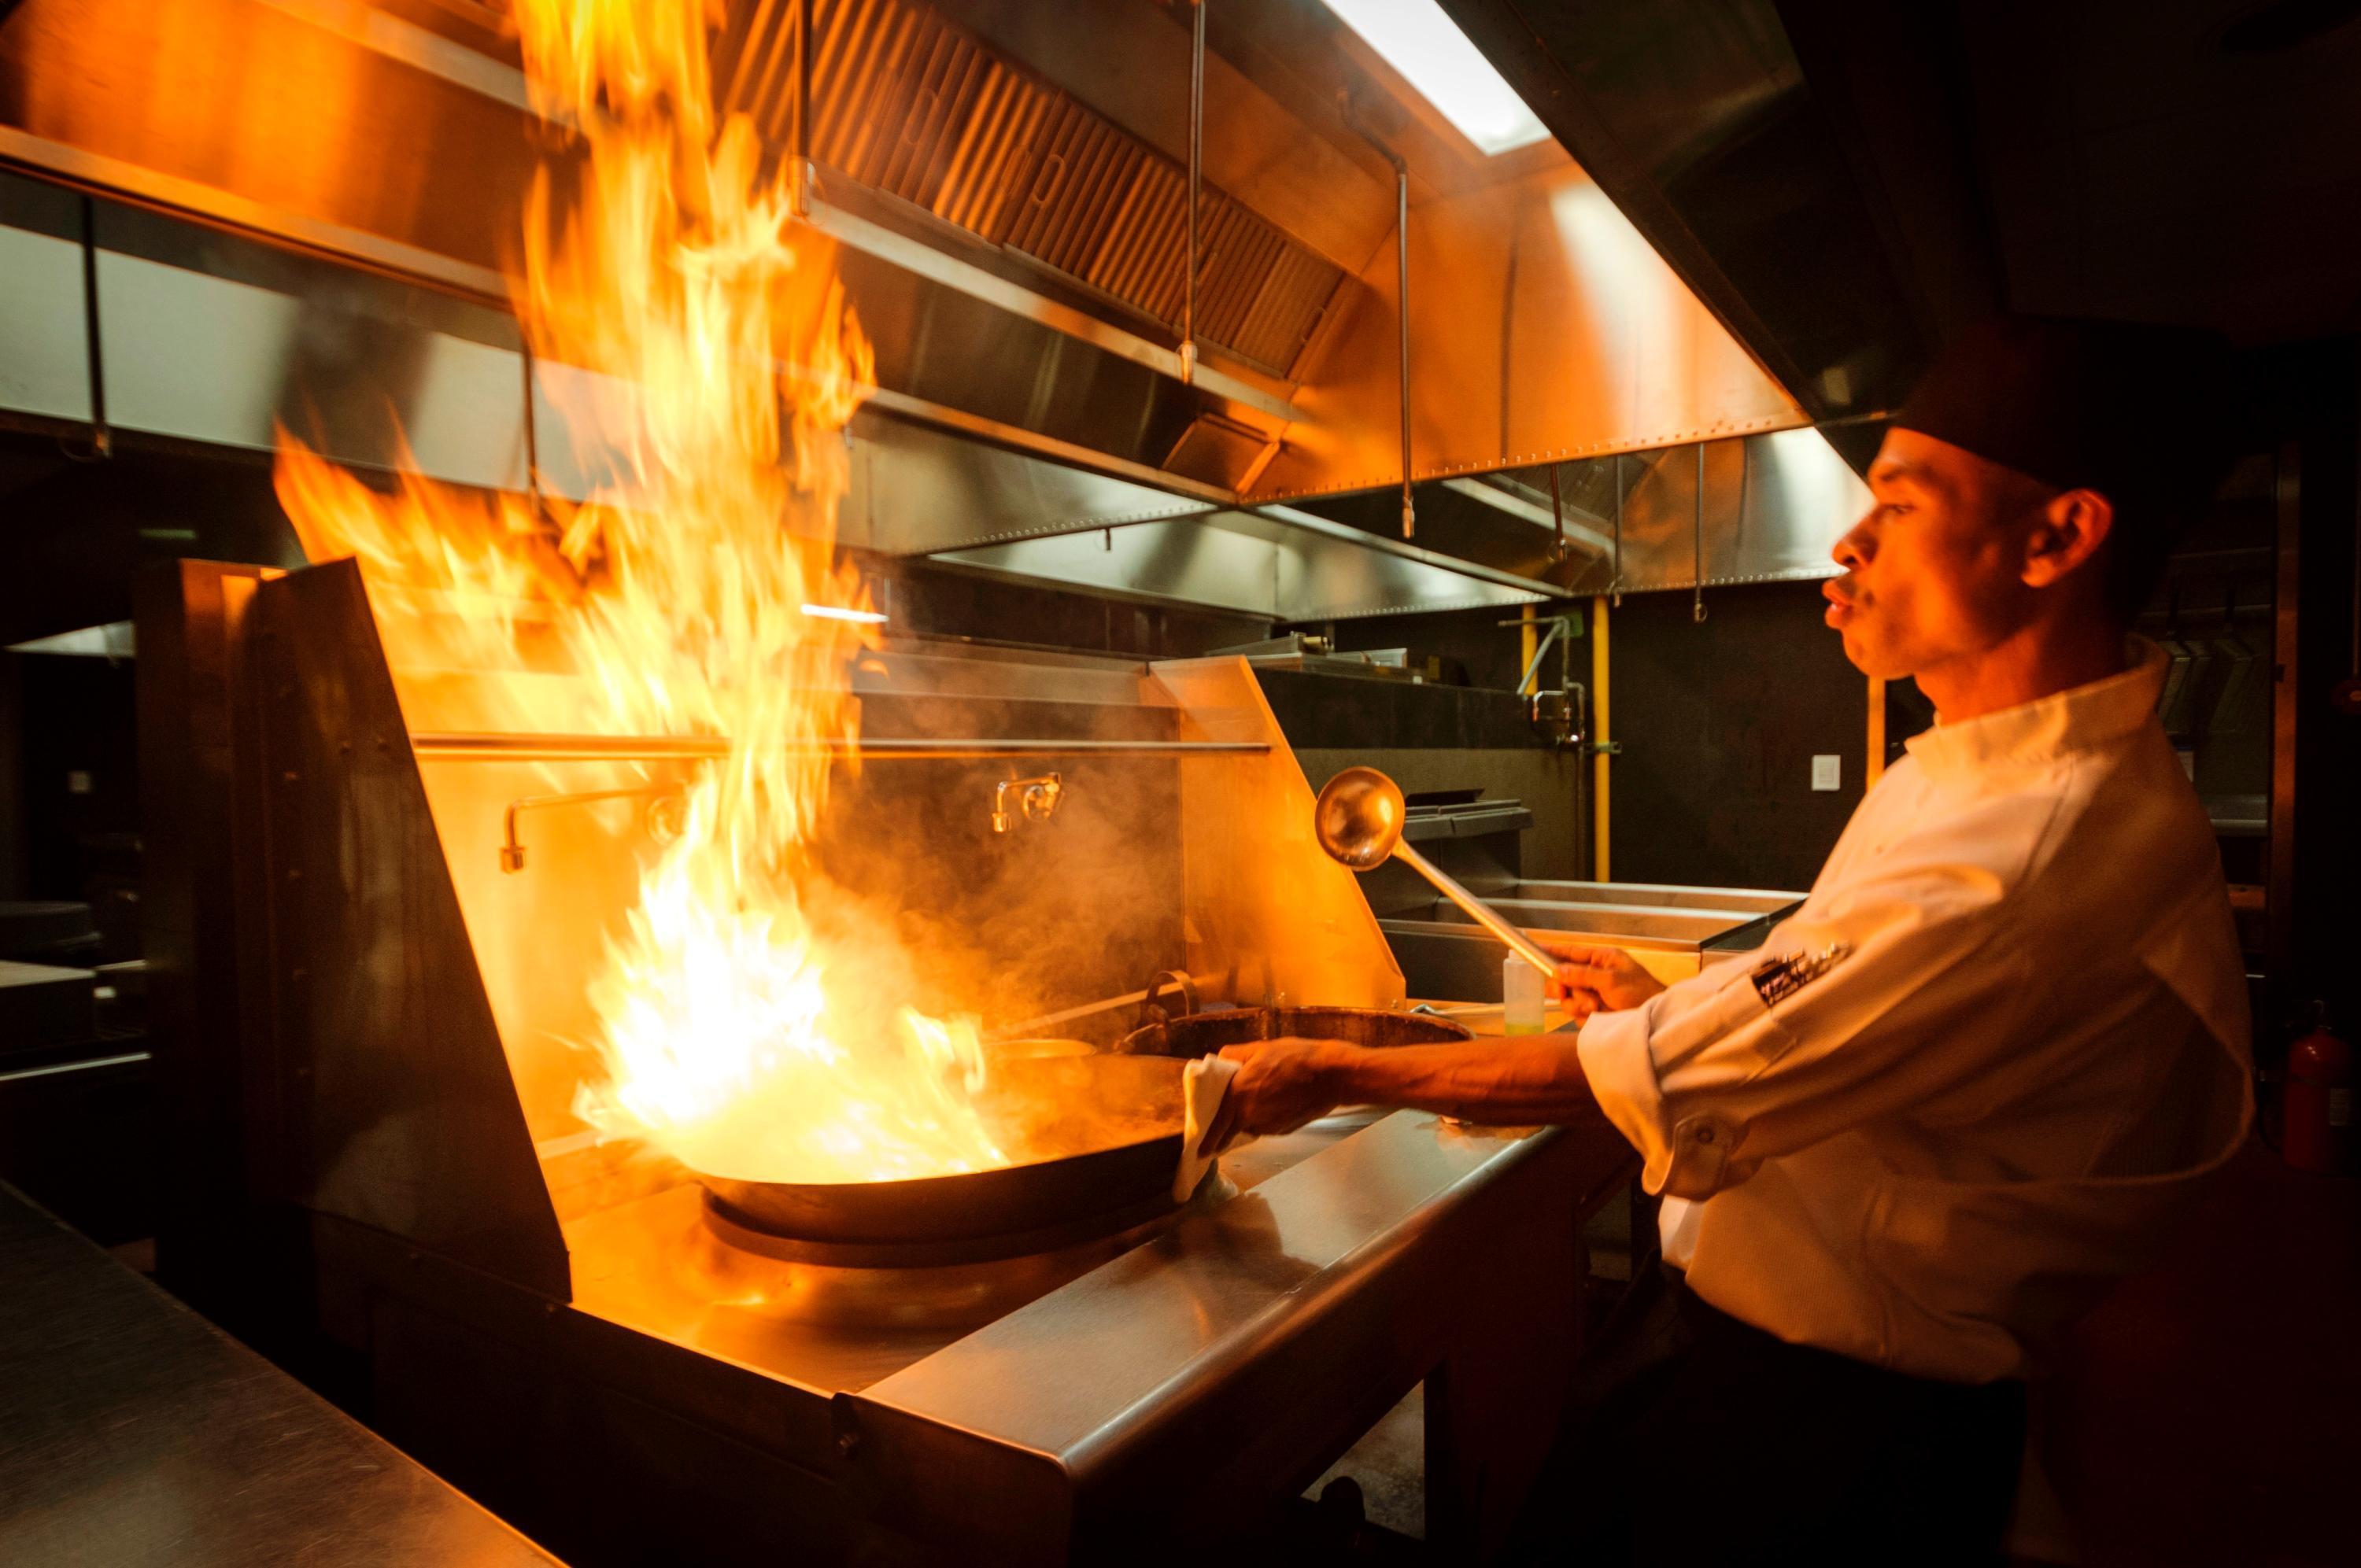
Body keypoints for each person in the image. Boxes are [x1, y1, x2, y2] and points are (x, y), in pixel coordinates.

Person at [1208, 315, 2254, 1564]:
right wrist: (1680, 997)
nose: (1850, 543)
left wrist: (1323, 1071)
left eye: (1905, 507)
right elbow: (1857, 1003)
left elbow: (1630, 1079)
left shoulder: (2033, 842)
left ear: (2059, 537)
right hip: (1778, 1370)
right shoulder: (1991, 767)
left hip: (1815, 1427)